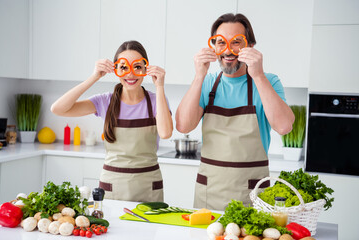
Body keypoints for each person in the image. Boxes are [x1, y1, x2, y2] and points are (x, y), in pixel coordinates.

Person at [175, 13, 295, 211]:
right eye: (221, 42)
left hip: (252, 194)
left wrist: (258, 75)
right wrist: (198, 76)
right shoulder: (207, 82)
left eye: (236, 42)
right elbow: (183, 126)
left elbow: (284, 126)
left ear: (251, 47)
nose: (228, 50)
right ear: (214, 47)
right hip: (209, 193)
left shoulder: (268, 81)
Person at [51, 40, 173, 202]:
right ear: (116, 70)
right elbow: (58, 109)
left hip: (148, 184)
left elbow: (165, 133)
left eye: (137, 66)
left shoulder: (156, 99)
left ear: (146, 69)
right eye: (123, 67)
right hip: (113, 184)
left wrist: (160, 87)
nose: (130, 74)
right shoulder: (105, 101)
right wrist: (94, 77)